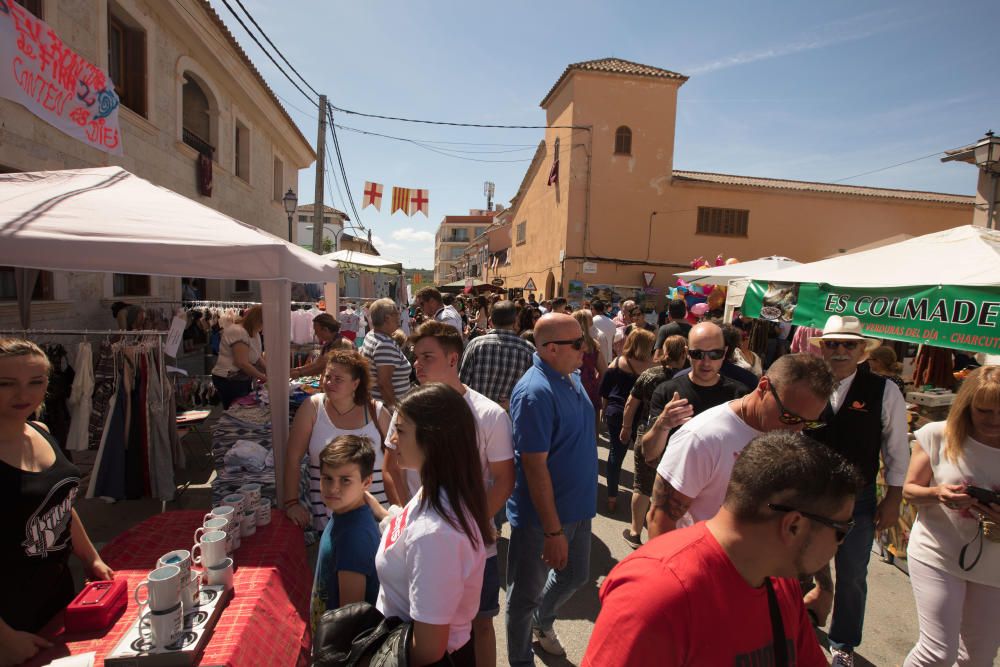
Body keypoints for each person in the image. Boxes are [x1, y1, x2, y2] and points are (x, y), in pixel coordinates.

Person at [582, 431, 861, 667]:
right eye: (841, 530)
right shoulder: (656, 595)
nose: (841, 544)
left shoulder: (779, 580)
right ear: (793, 526)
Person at [384, 321, 514, 667]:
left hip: (467, 540)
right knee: (426, 620)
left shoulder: (489, 415)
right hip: (418, 528)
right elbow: (390, 468)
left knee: (477, 624)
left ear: (453, 358)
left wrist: (465, 522)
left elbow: (503, 480)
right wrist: (401, 520)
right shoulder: (410, 408)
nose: (418, 365)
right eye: (416, 357)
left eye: (427, 357)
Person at [0, 339, 114, 665]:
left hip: (58, 599)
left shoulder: (41, 430)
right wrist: (5, 638)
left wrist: (91, 558)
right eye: (6, 384)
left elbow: (60, 505)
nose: (23, 394)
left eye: (36, 382)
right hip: (11, 623)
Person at [804, 315, 909, 666]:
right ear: (823, 349)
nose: (840, 350)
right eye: (832, 343)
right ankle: (796, 626)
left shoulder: (885, 389)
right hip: (811, 494)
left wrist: (893, 497)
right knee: (798, 563)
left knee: (851, 573)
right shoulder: (808, 383)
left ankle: (843, 642)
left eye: (848, 344)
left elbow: (897, 449)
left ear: (862, 350)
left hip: (858, 497)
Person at [646, 353, 834, 540]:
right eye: (790, 417)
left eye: (809, 423)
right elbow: (660, 522)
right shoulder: (702, 438)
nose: (797, 430)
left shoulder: (790, 434)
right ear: (763, 387)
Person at [377, 383, 493, 666]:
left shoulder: (435, 535)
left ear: (432, 440)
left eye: (401, 431)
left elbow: (428, 650)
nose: (391, 439)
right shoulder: (434, 492)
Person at [505, 313, 597, 666]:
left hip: (578, 507)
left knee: (576, 575)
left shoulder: (568, 376)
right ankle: (520, 659)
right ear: (551, 349)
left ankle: (541, 624)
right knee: (523, 597)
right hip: (545, 518)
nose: (585, 348)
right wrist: (553, 529)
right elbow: (533, 465)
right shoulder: (535, 392)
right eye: (578, 343)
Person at [901, 366, 1000, 666]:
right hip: (937, 553)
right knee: (936, 654)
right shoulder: (937, 435)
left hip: (994, 568)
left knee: (978, 659)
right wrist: (938, 494)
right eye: (984, 411)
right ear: (966, 406)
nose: (994, 420)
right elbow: (909, 490)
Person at [284, 350, 398, 533]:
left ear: (355, 383)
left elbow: (397, 464)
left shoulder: (377, 412)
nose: (329, 382)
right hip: (329, 517)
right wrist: (291, 503)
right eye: (327, 376)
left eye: (338, 379)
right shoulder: (312, 408)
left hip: (376, 518)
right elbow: (293, 457)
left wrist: (399, 509)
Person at [621, 334, 688, 548]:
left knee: (642, 485)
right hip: (679, 438)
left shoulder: (650, 374)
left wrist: (626, 427)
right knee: (672, 486)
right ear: (685, 353)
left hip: (648, 433)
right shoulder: (689, 378)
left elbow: (631, 403)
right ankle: (663, 535)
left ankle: (634, 531)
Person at [310, 435, 381, 631]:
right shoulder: (343, 511)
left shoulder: (353, 538)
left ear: (366, 483)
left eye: (345, 480)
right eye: (327, 478)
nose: (334, 488)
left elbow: (350, 618)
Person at [599, 328, 656, 513]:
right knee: (646, 459)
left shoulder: (617, 362)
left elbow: (605, 389)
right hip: (642, 417)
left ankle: (611, 497)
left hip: (616, 412)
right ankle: (644, 497)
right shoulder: (652, 367)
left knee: (616, 455)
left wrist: (604, 408)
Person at [459, 300, 535, 409]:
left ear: (490, 321)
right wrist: (512, 403)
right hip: (508, 420)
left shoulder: (476, 345)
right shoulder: (529, 350)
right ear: (515, 321)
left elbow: (462, 384)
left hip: (475, 414)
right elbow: (532, 391)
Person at [210, 305, 266, 408]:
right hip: (229, 380)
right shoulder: (237, 331)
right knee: (237, 410)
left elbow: (257, 357)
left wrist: (269, 372)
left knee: (244, 408)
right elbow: (241, 363)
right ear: (258, 321)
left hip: (241, 379)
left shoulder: (255, 333)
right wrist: (264, 377)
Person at [361, 298, 412, 411]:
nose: (399, 315)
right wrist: (395, 410)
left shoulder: (371, 334)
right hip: (387, 410)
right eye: (396, 312)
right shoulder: (385, 344)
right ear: (387, 318)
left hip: (377, 406)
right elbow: (384, 383)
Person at [572, 309, 606, 426]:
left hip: (571, 386)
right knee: (592, 426)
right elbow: (604, 370)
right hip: (590, 387)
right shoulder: (593, 344)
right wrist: (596, 382)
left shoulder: (569, 344)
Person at [291, 313, 352, 379]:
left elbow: (322, 366)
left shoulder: (342, 344)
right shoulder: (328, 343)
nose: (315, 334)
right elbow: (317, 363)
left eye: (316, 331)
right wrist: (297, 370)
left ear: (325, 329)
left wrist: (300, 373)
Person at [591, 299, 617, 366]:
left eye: (591, 309)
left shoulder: (591, 321)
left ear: (593, 309)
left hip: (595, 357)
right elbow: (612, 340)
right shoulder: (612, 322)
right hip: (608, 357)